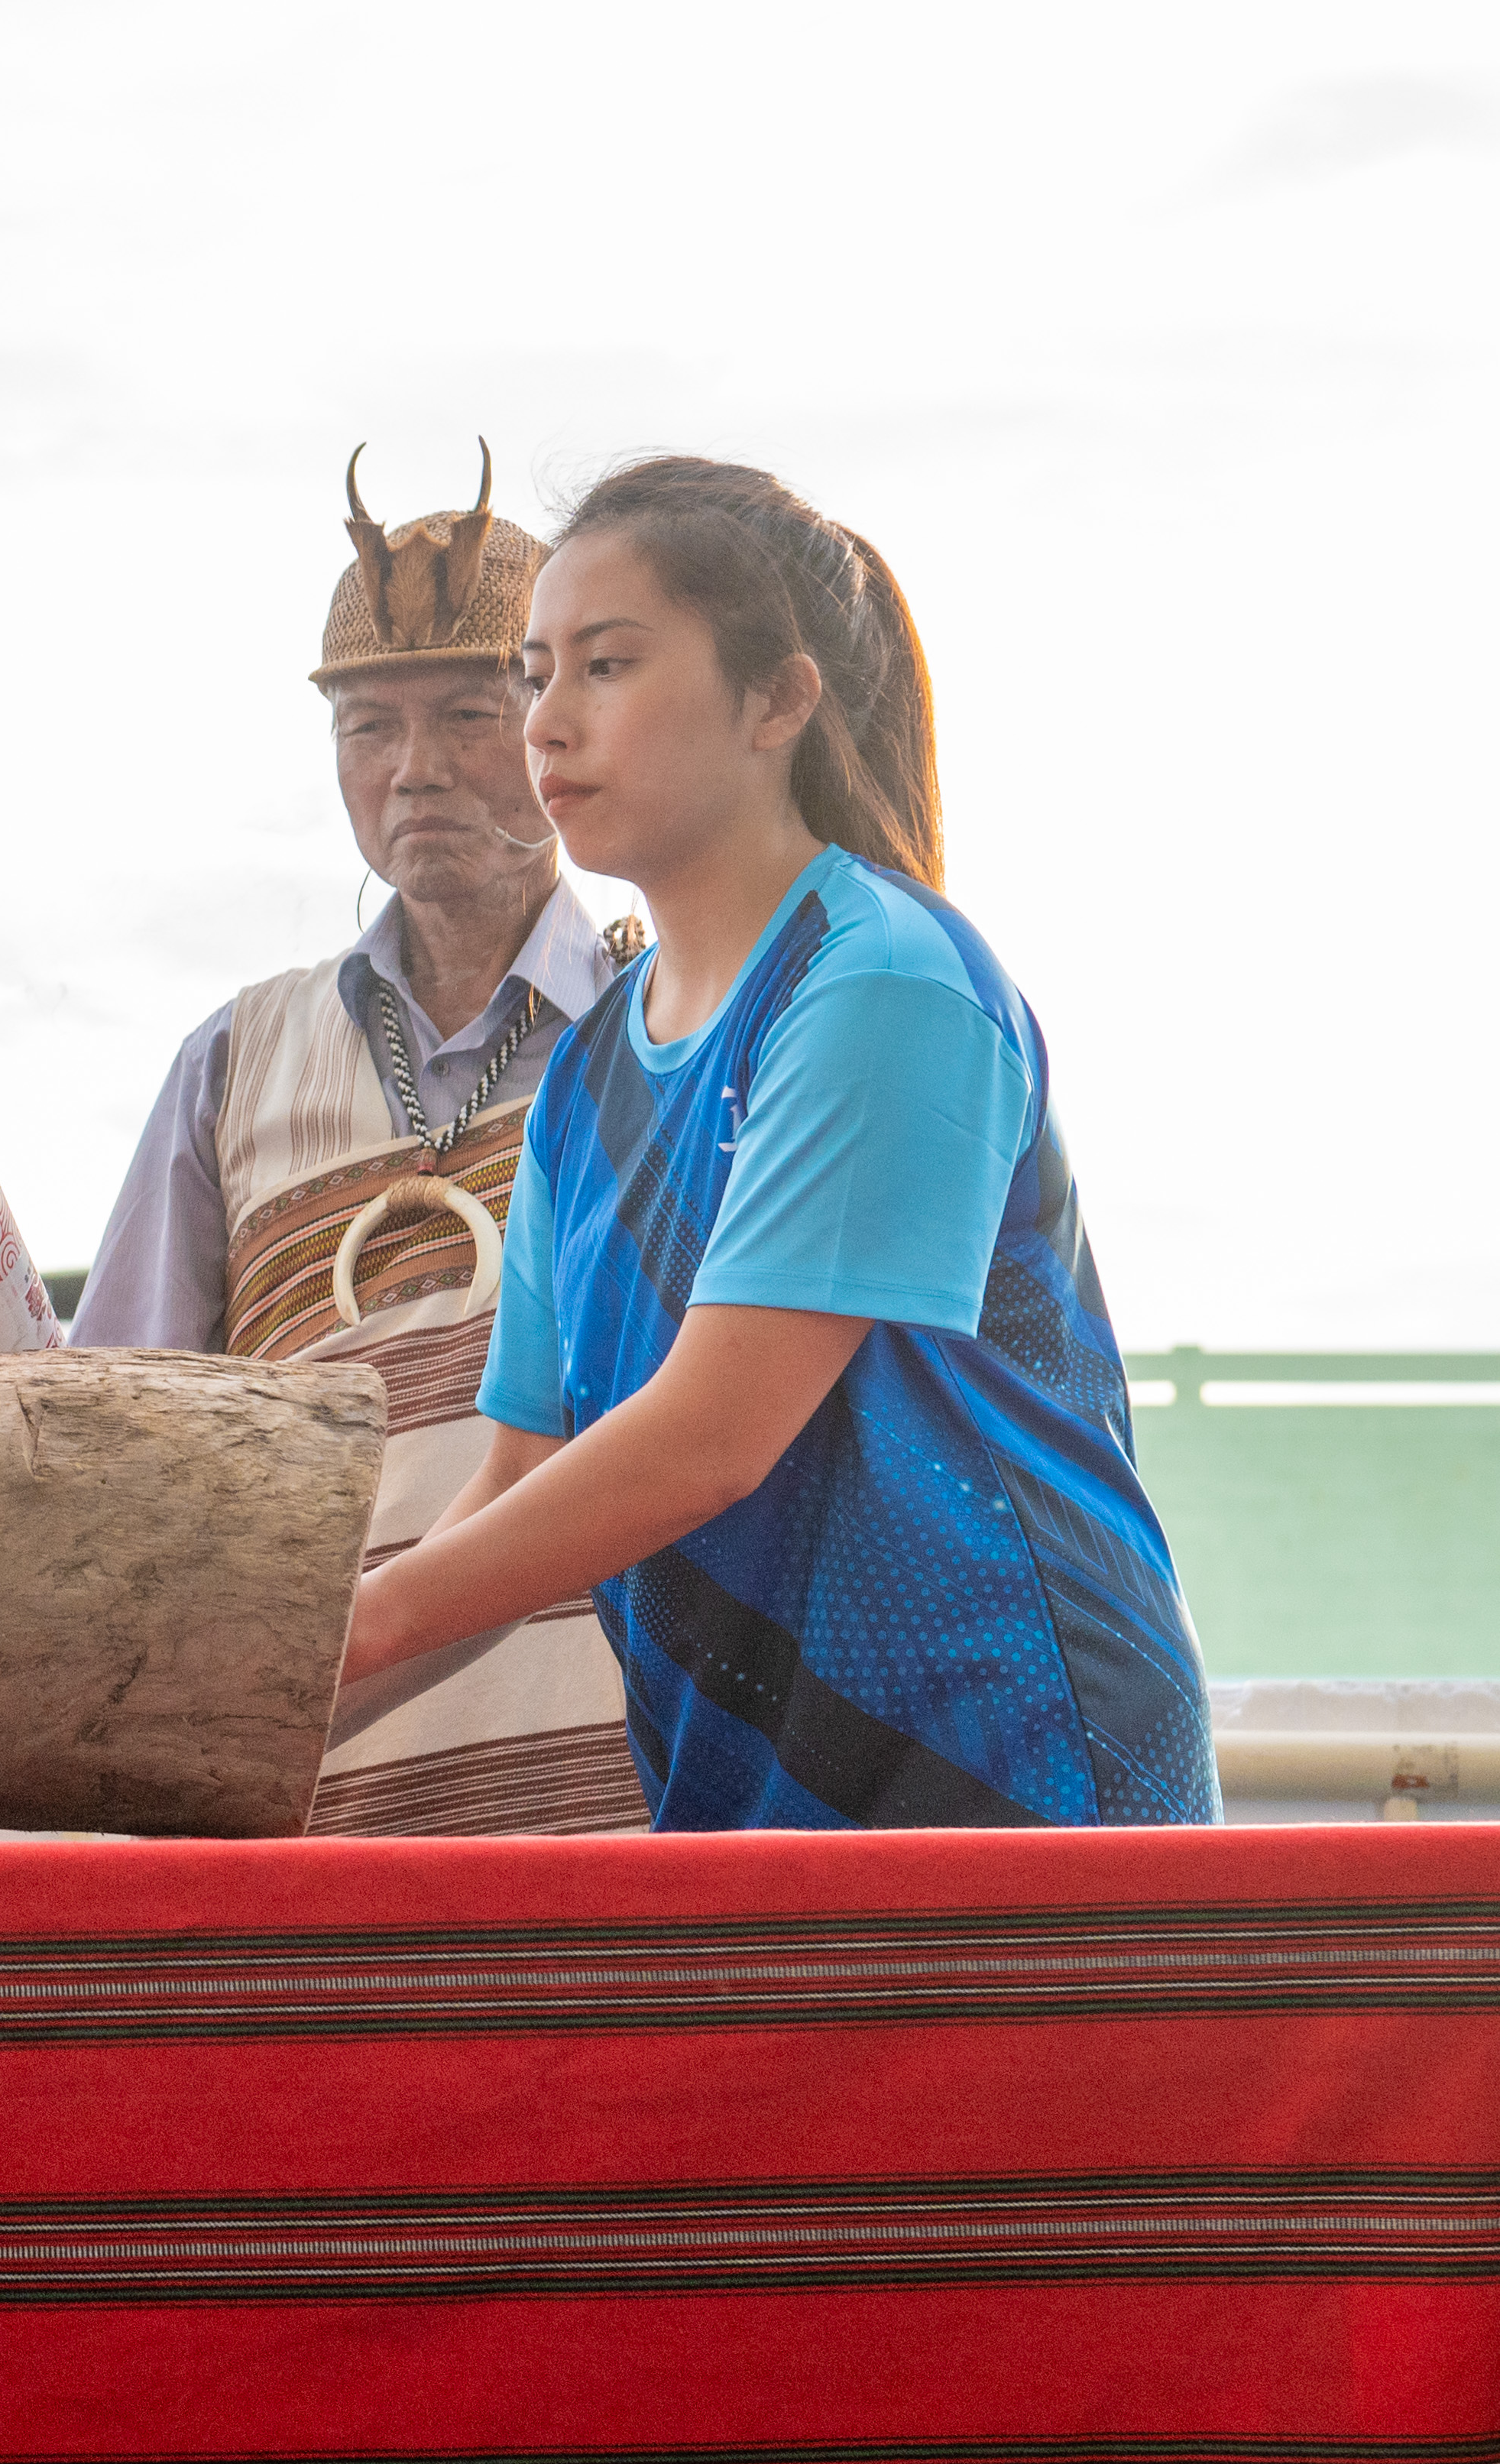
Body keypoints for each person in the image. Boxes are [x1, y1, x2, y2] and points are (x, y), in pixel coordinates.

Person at [348, 456, 1213, 1829]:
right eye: (535, 674)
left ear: (776, 698)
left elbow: (707, 1439)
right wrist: (274, 1723)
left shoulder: (879, 983)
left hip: (1005, 1776)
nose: (545, 725)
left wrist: (355, 1632)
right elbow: (517, 1475)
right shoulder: (581, 1078)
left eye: (607, 666)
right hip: (743, 1793)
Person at [73, 446, 649, 1835]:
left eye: (466, 714)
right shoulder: (234, 1062)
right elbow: (123, 1437)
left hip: (618, 1777)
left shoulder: (665, 1029)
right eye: (367, 729)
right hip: (316, 1785)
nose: (417, 771)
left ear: (554, 726)